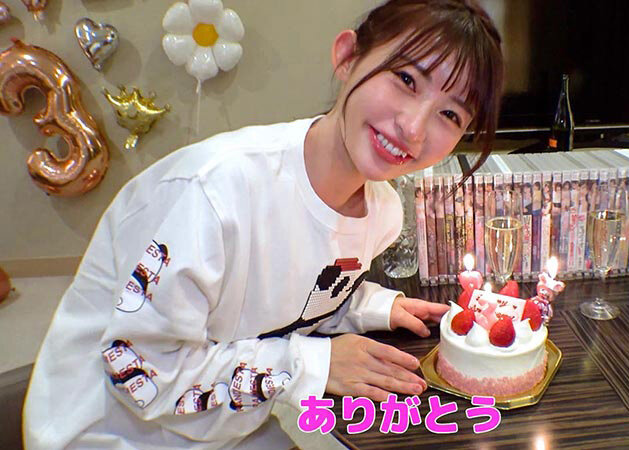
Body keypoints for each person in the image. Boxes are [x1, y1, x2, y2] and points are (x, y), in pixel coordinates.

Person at [23, 1, 503, 448]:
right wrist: (311, 365)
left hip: (228, 430)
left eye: (449, 113)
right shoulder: (211, 192)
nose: (413, 128)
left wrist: (369, 305)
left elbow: (287, 296)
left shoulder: (382, 213)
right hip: (110, 434)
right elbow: (140, 372)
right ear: (347, 57)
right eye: (406, 78)